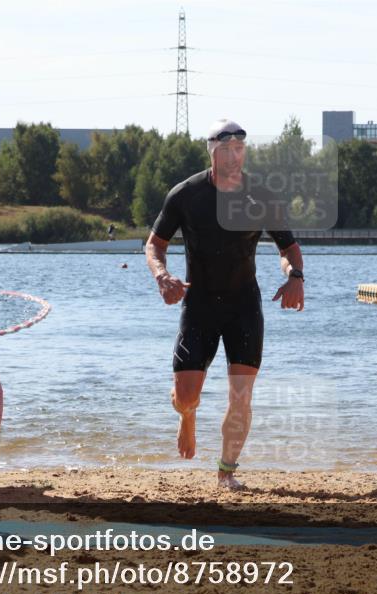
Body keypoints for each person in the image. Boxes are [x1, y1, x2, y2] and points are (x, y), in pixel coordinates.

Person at [144, 119, 305, 490]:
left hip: (243, 306)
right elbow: (154, 244)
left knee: (241, 396)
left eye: (240, 149)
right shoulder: (186, 195)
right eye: (226, 149)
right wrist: (161, 275)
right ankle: (188, 417)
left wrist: (295, 276)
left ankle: (226, 471)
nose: (234, 156)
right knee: (186, 396)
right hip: (199, 304)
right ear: (212, 151)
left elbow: (288, 248)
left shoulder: (261, 196)